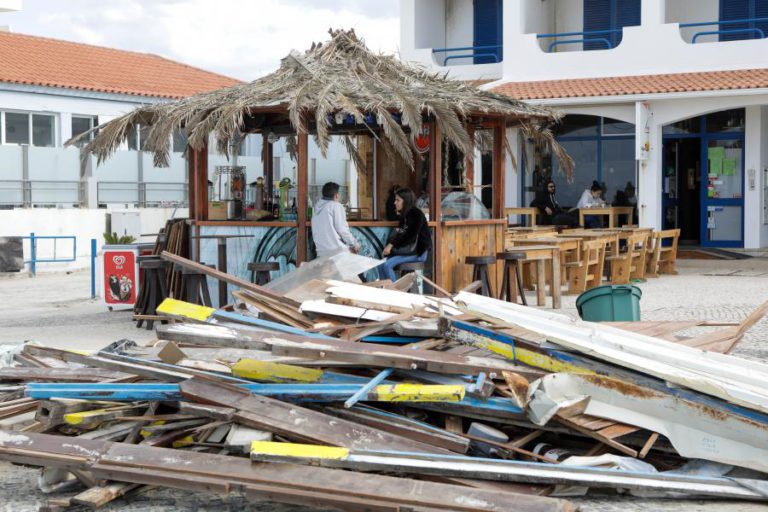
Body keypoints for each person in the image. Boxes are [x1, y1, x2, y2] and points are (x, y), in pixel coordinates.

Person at [377, 187, 431, 282]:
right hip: (409, 251)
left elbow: (410, 236)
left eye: (398, 200)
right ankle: (385, 291)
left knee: (386, 265)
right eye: (395, 200)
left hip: (419, 252)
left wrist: (391, 245)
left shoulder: (416, 214)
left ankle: (395, 293)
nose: (394, 203)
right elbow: (402, 234)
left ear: (405, 201)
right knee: (380, 264)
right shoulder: (405, 215)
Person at [311, 182, 360, 258]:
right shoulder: (335, 206)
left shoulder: (316, 209)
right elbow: (342, 229)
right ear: (336, 195)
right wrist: (354, 243)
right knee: (356, 254)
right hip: (337, 252)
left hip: (321, 253)